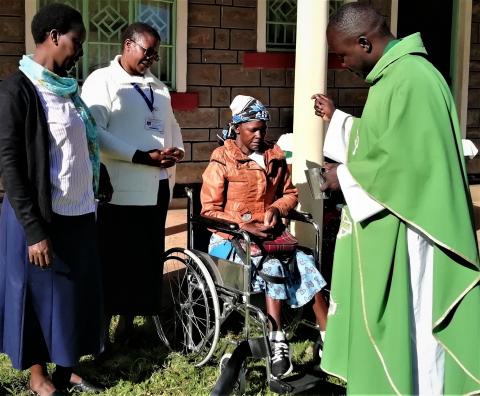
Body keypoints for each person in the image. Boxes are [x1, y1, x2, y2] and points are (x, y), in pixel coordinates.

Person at [312, 3, 480, 395]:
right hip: (399, 219)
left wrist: (345, 175)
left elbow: (411, 165)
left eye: (343, 54)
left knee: (417, 325)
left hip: (416, 231)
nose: (343, 63)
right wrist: (339, 120)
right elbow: (385, 143)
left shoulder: (412, 79)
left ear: (366, 42)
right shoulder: (394, 77)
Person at [0, 3, 105, 395]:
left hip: (77, 211)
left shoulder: (69, 91)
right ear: (53, 36)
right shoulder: (17, 90)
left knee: (70, 295)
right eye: (75, 42)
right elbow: (10, 166)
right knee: (35, 297)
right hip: (38, 218)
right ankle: (37, 376)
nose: (78, 51)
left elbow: (81, 147)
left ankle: (67, 367)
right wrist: (33, 231)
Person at [201, 95, 329, 379]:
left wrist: (275, 208)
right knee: (272, 266)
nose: (259, 135)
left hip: (270, 238)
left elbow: (290, 194)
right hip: (230, 240)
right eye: (253, 130)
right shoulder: (222, 159)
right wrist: (244, 226)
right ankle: (278, 340)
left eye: (262, 129)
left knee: (307, 264)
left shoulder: (275, 155)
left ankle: (328, 341)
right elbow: (209, 211)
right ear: (237, 128)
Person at [81, 22, 184, 340]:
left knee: (146, 259)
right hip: (119, 190)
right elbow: (93, 132)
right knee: (113, 260)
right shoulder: (103, 80)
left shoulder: (158, 86)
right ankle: (100, 332)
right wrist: (140, 156)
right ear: (128, 44)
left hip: (156, 187)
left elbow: (171, 125)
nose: (152, 58)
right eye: (147, 51)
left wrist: (176, 150)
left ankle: (130, 325)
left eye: (156, 53)